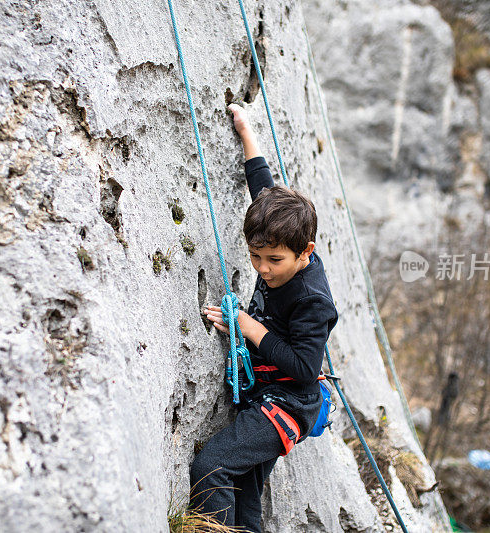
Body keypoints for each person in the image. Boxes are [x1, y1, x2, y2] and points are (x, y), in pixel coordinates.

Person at [189, 103, 339, 532]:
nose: (263, 268)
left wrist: (246, 324)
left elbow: (307, 369)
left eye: (274, 259)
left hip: (290, 403)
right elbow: (264, 189)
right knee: (245, 498)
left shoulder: (313, 300)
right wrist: (246, 132)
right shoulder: (281, 232)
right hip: (268, 394)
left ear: (306, 251)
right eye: (255, 257)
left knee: (213, 466)